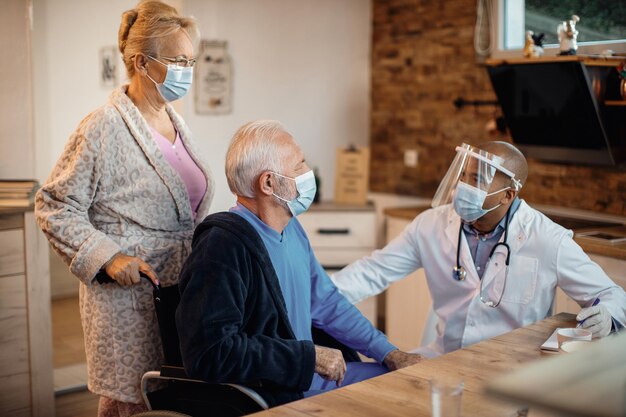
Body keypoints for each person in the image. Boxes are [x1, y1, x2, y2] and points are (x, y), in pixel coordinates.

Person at [35, 2, 214, 416]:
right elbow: (53, 205)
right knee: (131, 401)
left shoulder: (176, 123)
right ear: (141, 62)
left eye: (191, 60)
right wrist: (109, 258)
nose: (188, 69)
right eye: (178, 60)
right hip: (129, 297)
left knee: (171, 397)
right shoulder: (103, 126)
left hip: (178, 292)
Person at [176, 120, 422, 407]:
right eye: (299, 166)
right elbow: (211, 352)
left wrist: (389, 352)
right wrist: (309, 358)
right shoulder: (222, 247)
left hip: (310, 379)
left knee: (411, 383)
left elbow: (327, 303)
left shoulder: (291, 229)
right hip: (278, 391)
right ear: (268, 183)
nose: (309, 174)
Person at [332, 141, 626, 358]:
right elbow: (372, 272)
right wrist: (316, 299)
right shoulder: (431, 225)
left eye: (478, 180)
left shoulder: (548, 239)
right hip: (444, 358)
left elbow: (612, 296)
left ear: (508, 195)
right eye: (464, 175)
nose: (463, 187)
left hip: (512, 367)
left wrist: (607, 315)